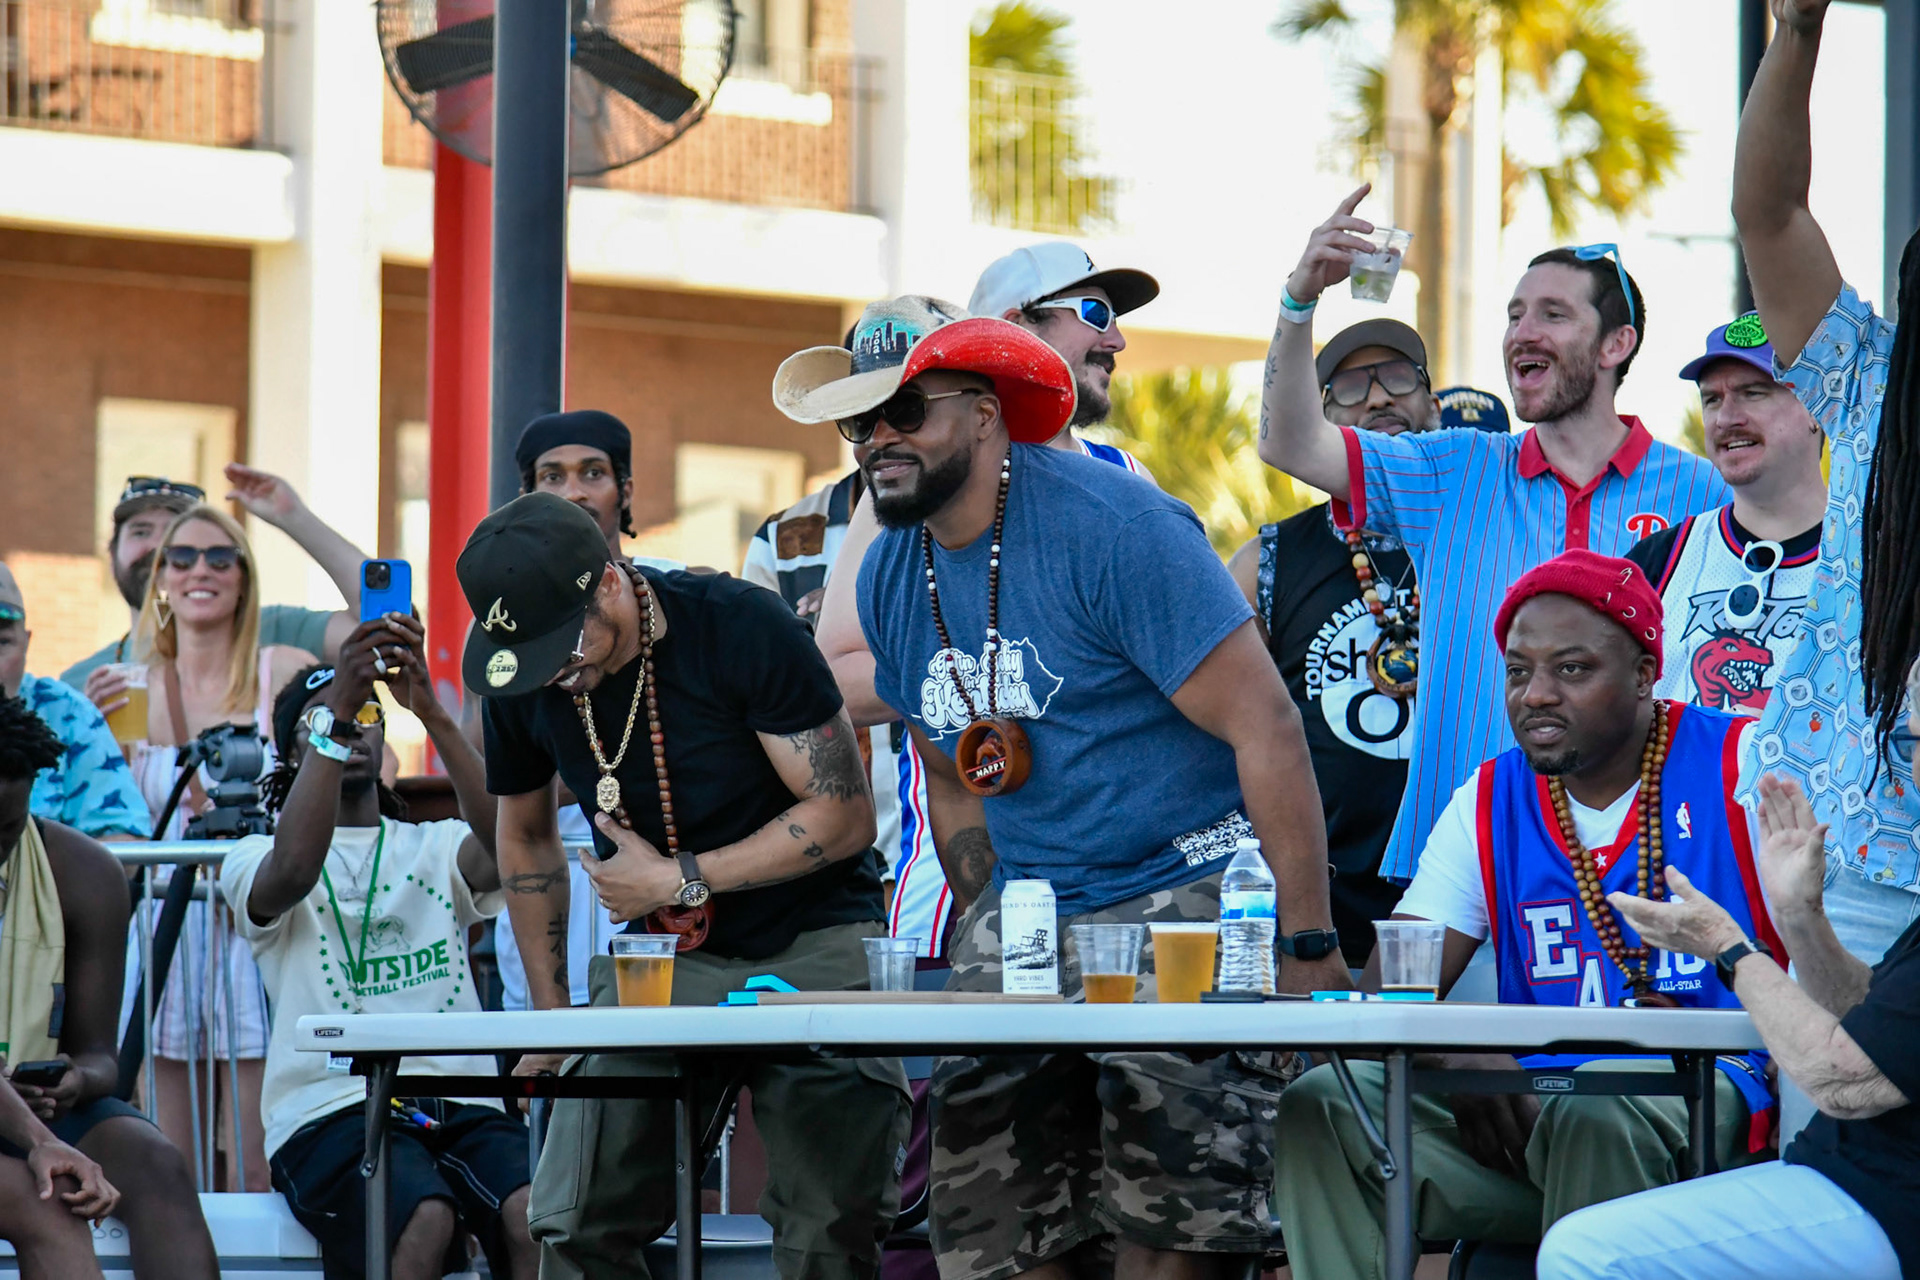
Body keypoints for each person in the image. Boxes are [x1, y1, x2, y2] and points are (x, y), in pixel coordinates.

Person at [776, 298, 1340, 1280]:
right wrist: (988, 908)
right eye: (860, 422)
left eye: (905, 411)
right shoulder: (892, 576)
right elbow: (950, 767)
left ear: (985, 416)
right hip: (1034, 900)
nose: (877, 439)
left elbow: (1269, 729)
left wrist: (1306, 944)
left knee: (1176, 1232)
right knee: (998, 1230)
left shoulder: (1117, 526)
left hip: (1184, 882)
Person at [1274, 551, 1782, 1280]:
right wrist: (1455, 1054)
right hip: (1536, 1106)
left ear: (1645, 674)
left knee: (1599, 1109)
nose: (1536, 694)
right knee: (1324, 1105)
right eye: (1518, 671)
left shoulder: (1747, 765)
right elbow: (1393, 989)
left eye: (1572, 669)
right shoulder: (1488, 799)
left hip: (1711, 1097)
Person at [460, 491, 909, 1280]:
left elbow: (843, 815)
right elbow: (524, 836)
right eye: (532, 658)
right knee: (575, 1216)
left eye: (563, 647)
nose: (554, 674)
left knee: (829, 1222)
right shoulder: (526, 666)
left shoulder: (738, 625)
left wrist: (679, 879)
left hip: (812, 933)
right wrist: (553, 1018)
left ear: (608, 581)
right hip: (661, 961)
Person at [1256, 186, 1728, 886]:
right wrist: (1299, 301)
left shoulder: (1702, 494)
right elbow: (1289, 443)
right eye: (1514, 315)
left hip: (1645, 861)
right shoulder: (1453, 469)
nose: (1521, 333)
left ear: (1616, 344)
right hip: (1464, 865)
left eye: (1553, 314)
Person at [221, 617, 535, 1280]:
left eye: (366, 713)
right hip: (331, 1108)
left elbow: (511, 849)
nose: (350, 727)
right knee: (423, 1217)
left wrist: (431, 711)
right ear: (290, 753)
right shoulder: (251, 856)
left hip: (464, 1100)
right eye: (321, 720)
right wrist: (336, 711)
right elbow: (293, 872)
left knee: (535, 1213)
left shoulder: (435, 844)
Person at [1535, 772, 1918, 1279]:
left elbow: (1846, 1081)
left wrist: (1728, 948)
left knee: (1581, 1252)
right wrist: (1798, 915)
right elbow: (1873, 1027)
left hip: (1892, 1204)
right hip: (1846, 1177)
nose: (1910, 764)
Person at [1728, 0, 1920, 969]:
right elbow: (1769, 215)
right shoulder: (1872, 381)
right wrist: (1797, 32)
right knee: (1838, 1073)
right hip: (1866, 864)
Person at [1228, 319, 1437, 963]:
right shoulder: (1267, 561)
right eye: (1349, 387)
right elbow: (1218, 733)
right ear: (1319, 420)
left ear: (1433, 404)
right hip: (1319, 913)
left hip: (1470, 904)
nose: (1377, 397)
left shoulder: (1486, 536)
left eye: (1397, 377)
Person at [120, 503, 313, 1190]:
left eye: (220, 557)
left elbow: (356, 761)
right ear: (160, 581)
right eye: (181, 558)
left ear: (244, 577)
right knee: (173, 1162)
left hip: (259, 927)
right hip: (167, 927)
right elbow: (111, 817)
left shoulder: (283, 668)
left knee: (262, 1162)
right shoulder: (127, 688)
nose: (200, 570)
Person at [0, 698, 216, 1280]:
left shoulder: (85, 873)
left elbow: (101, 1056)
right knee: (44, 1197)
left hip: (33, 1111)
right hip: (21, 1124)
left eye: (7, 831)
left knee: (157, 1163)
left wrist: (73, 1080)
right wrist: (37, 1138)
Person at [1624, 315, 1827, 713]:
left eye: (1753, 393)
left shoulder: (1878, 563)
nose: (1726, 418)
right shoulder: (1656, 564)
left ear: (1815, 407)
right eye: (1712, 399)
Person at [62, 466, 368, 695]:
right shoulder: (80, 685)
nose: (158, 547)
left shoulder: (276, 632)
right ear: (111, 553)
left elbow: (383, 622)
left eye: (180, 541)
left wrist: (293, 517)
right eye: (141, 531)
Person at [967, 241, 1156, 472]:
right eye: (1096, 313)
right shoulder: (941, 470)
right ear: (1015, 327)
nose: (1118, 341)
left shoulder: (1129, 474)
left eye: (1113, 319)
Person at [0, 564, 149, 842]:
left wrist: (39, 864)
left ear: (26, 643)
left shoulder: (65, 711)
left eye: (2, 642)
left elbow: (128, 844)